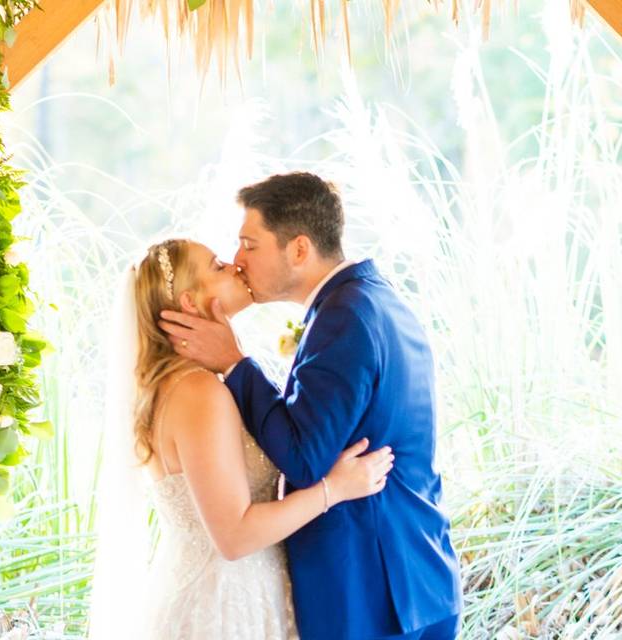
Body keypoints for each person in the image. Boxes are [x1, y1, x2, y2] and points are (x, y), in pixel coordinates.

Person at [159, 173, 463, 640]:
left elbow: (305, 457)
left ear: (299, 250)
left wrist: (236, 364)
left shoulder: (345, 319)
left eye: (249, 244)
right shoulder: (371, 301)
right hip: (414, 577)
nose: (238, 260)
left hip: (369, 593)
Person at [88, 237, 394, 639]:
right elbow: (234, 535)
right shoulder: (197, 392)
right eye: (216, 266)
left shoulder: (183, 385)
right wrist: (333, 488)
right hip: (221, 608)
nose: (234, 265)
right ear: (190, 303)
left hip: (235, 591)